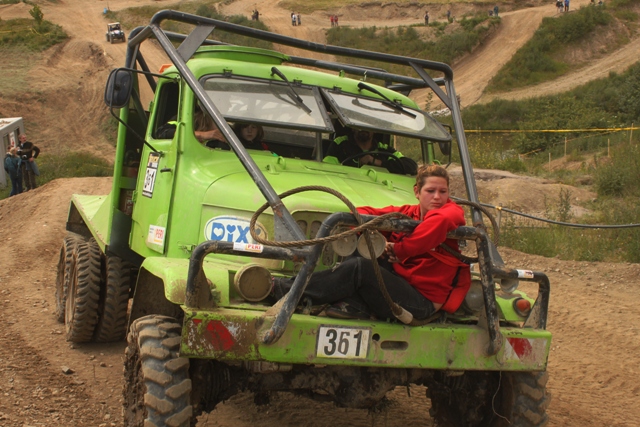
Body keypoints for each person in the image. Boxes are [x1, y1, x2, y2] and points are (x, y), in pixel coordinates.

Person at [273, 165, 471, 320]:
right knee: (365, 242)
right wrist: (378, 238)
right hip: (401, 285)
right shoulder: (407, 213)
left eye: (443, 191)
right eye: (430, 191)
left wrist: (401, 250)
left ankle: (286, 290)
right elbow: (362, 214)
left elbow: (439, 222)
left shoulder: (451, 212)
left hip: (421, 302)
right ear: (417, 192)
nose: (437, 197)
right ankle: (354, 305)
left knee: (360, 268)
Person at [324, 129, 418, 175]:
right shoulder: (340, 144)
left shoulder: (383, 149)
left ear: (374, 130)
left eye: (367, 125)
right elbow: (326, 169)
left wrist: (376, 162)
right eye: (359, 124)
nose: (363, 128)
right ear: (353, 127)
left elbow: (411, 166)